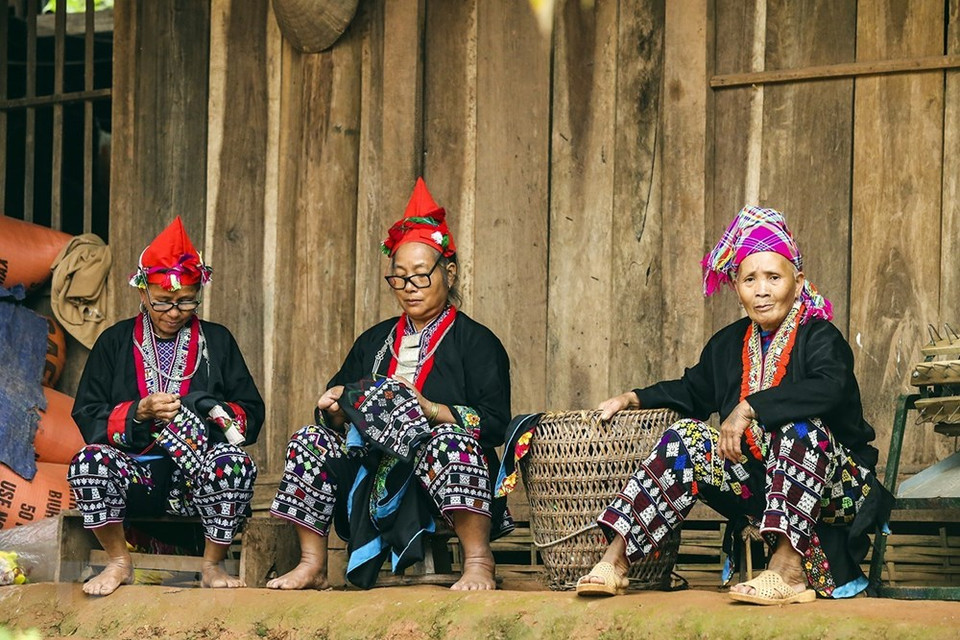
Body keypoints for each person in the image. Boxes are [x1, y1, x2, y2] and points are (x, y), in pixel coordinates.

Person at [577, 205, 891, 604]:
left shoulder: (820, 337)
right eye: (749, 279)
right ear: (736, 286)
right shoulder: (729, 344)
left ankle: (788, 571)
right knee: (684, 437)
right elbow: (693, 391)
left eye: (774, 278)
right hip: (765, 489)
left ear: (798, 281)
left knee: (801, 427)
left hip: (839, 490)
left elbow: (831, 388)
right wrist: (633, 397)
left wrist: (748, 407)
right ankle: (616, 561)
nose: (761, 290)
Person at [267, 177, 512, 591]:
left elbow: (494, 423)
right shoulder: (375, 340)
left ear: (448, 273)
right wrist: (333, 408)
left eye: (420, 276)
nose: (408, 288)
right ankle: (312, 562)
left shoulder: (477, 342)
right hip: (373, 466)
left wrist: (429, 410)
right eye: (398, 278)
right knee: (308, 439)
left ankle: (478, 560)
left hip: (443, 468)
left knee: (448, 441)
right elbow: (340, 401)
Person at [67, 217, 265, 596]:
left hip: (198, 478)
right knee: (87, 461)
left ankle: (211, 564)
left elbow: (251, 412)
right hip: (136, 477)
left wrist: (206, 413)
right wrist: (137, 412)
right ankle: (118, 562)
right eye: (163, 302)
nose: (175, 311)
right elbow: (87, 411)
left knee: (236, 465)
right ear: (142, 293)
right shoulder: (114, 341)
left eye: (186, 301)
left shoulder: (218, 341)